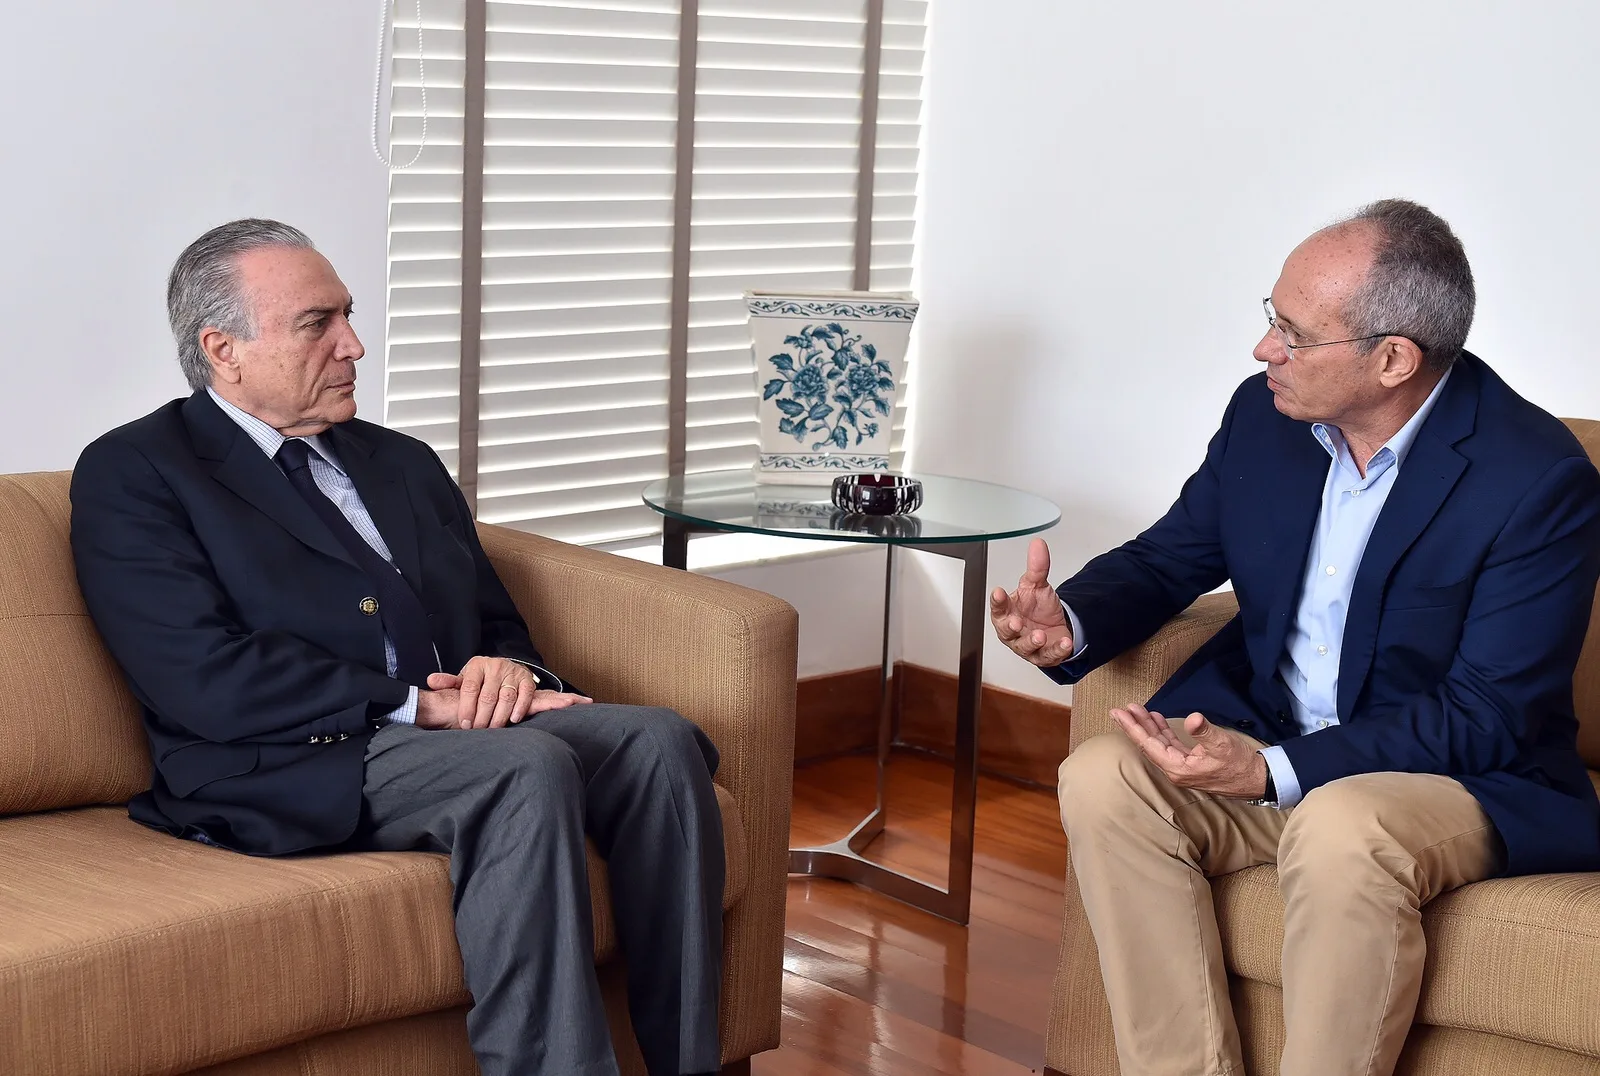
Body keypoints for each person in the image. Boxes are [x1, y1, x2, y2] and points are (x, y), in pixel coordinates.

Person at [70, 219, 726, 1076]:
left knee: (658, 741)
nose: (355, 345)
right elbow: (199, 679)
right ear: (223, 349)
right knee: (521, 767)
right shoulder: (136, 473)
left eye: (348, 315)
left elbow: (497, 625)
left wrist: (510, 673)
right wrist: (424, 706)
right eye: (318, 324)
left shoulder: (400, 462)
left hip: (446, 730)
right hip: (284, 758)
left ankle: (690, 1066)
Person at [990, 199, 1600, 1076]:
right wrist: (1071, 621)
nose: (1264, 349)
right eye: (1270, 317)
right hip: (1278, 732)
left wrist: (1273, 772)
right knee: (1105, 775)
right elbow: (1173, 555)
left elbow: (1489, 712)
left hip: (1456, 779)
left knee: (1344, 824)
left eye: (1294, 332)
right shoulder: (1265, 417)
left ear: (1393, 359)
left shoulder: (1535, 480)